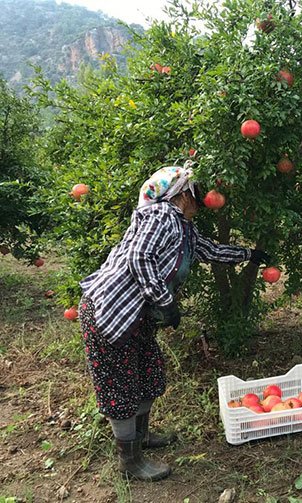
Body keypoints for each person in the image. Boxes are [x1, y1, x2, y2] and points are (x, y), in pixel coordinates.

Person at [78, 163, 270, 481]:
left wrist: (248, 255)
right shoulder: (160, 215)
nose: (201, 199)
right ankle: (130, 462)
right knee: (120, 384)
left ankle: (141, 438)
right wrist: (165, 302)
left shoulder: (184, 228)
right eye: (195, 192)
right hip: (110, 313)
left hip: (137, 317)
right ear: (180, 194)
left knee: (148, 373)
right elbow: (140, 257)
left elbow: (208, 249)